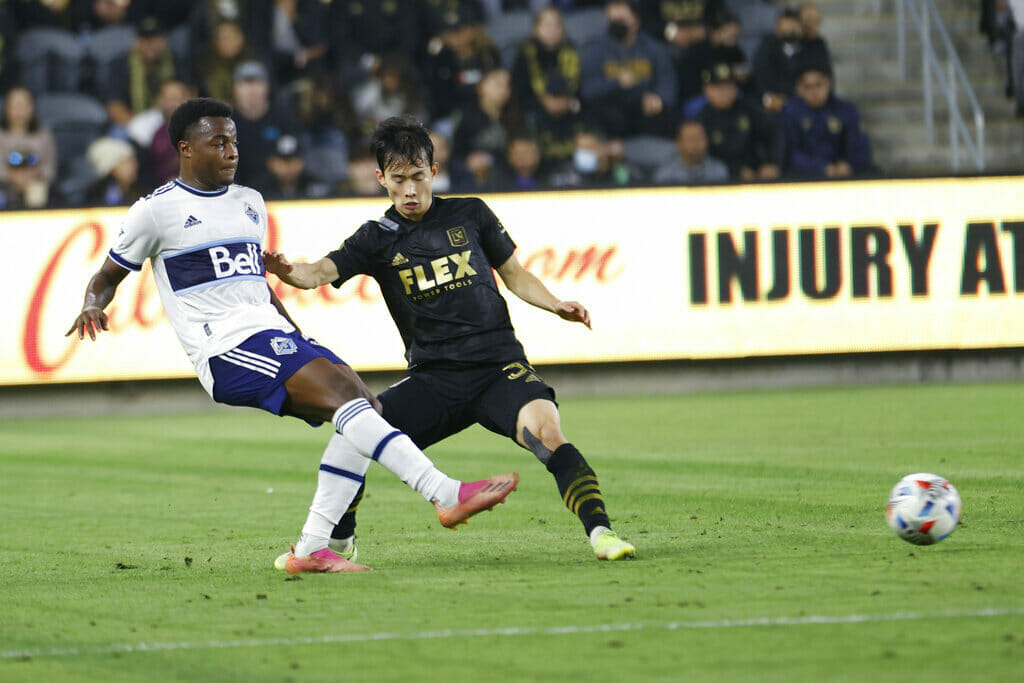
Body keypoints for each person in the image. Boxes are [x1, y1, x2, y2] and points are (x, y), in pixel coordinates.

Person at [66, 99, 519, 574]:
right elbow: (106, 277)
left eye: (234, 140)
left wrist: (298, 337)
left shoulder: (249, 202)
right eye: (218, 142)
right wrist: (93, 304)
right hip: (225, 349)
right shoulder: (155, 211)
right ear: (185, 148)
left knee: (366, 406)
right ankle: (445, 494)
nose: (231, 150)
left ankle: (315, 547)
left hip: (272, 333)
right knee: (346, 398)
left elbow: (254, 283)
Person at [263, 116, 636, 562]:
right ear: (381, 178)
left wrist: (555, 304)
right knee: (354, 440)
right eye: (398, 179)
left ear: (434, 172)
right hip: (434, 380)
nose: (410, 190)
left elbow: (514, 274)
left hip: (498, 367)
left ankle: (602, 535)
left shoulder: (471, 213)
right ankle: (340, 540)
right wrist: (289, 271)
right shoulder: (376, 238)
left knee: (550, 433)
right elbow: (319, 272)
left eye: (418, 177)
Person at [579, 0, 678, 138]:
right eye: (613, 21)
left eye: (622, 20)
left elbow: (667, 80)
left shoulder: (653, 48)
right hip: (610, 110)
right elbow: (588, 91)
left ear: (636, 21)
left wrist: (659, 98)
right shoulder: (594, 49)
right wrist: (616, 82)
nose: (617, 25)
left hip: (644, 108)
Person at [780, 61, 871, 178]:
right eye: (808, 87)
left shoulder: (846, 110)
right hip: (804, 179)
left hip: (843, 177)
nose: (814, 92)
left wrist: (848, 164)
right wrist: (821, 167)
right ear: (799, 88)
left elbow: (860, 148)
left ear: (829, 83)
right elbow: (791, 153)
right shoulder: (791, 113)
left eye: (818, 85)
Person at [696, 62, 781, 180]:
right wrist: (734, 170)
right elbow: (702, 155)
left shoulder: (749, 109)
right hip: (720, 178)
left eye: (728, 87)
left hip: (758, 173)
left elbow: (776, 133)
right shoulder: (702, 118)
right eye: (718, 88)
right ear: (707, 91)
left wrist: (774, 163)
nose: (724, 93)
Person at [0, 86, 57, 200]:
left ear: (32, 108)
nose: (20, 111)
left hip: (36, 184)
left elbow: (50, 169)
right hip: (4, 186)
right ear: (7, 108)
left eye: (24, 106)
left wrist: (34, 175)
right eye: (15, 106)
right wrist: (12, 177)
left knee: (38, 192)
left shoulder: (44, 136)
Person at [653, 119, 728, 184]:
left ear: (706, 141)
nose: (695, 143)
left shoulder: (718, 171)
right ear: (679, 143)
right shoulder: (666, 175)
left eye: (699, 138)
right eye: (690, 139)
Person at [84, 136, 146, 206]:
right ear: (113, 168)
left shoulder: (144, 194)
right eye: (127, 162)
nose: (135, 166)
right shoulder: (95, 194)